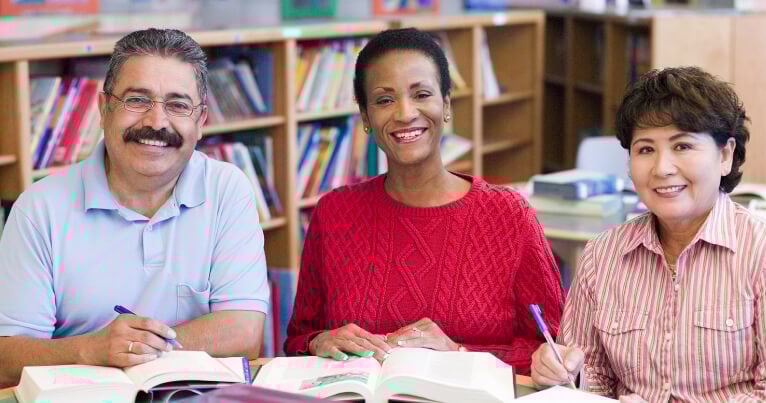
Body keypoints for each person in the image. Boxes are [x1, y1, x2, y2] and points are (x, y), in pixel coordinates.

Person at [531, 66, 766, 401]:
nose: (662, 168)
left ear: (725, 156)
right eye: (645, 150)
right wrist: (565, 374)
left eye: (682, 146)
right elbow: (592, 376)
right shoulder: (602, 255)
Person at [284, 28, 567, 374]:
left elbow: (554, 349)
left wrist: (458, 353)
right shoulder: (334, 214)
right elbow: (298, 339)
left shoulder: (509, 215)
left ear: (446, 105)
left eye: (421, 94)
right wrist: (319, 341)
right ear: (365, 118)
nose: (405, 113)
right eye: (384, 100)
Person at [0, 28, 269, 386]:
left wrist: (136, 348)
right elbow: (6, 358)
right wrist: (91, 349)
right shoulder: (39, 208)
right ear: (104, 107)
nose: (156, 122)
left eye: (177, 105)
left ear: (200, 121)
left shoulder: (227, 189)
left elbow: (244, 332)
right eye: (137, 100)